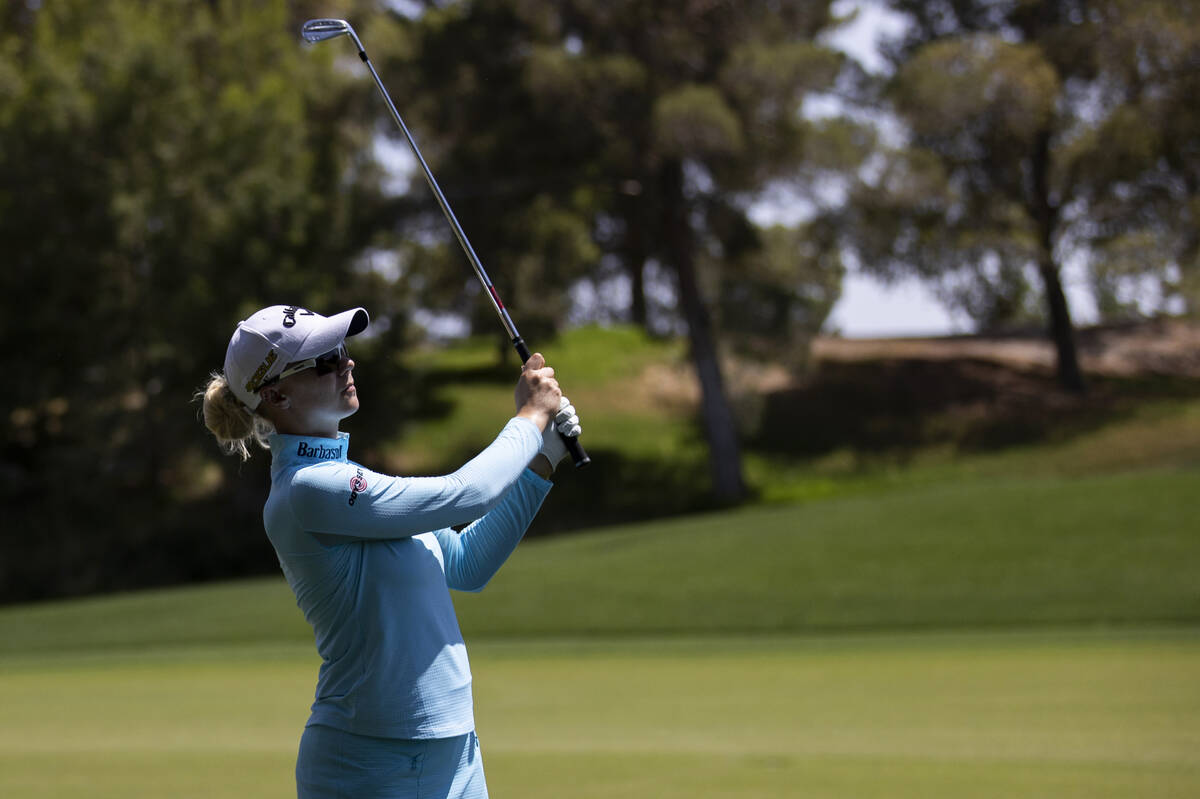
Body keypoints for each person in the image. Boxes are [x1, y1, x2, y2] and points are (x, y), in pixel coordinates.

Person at [198, 304, 581, 799]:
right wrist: (530, 418)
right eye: (323, 360)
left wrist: (544, 456)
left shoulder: (350, 479)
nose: (345, 364)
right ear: (275, 394)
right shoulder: (309, 489)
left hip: (457, 747)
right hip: (368, 762)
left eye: (341, 351)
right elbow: (464, 493)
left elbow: (466, 564)